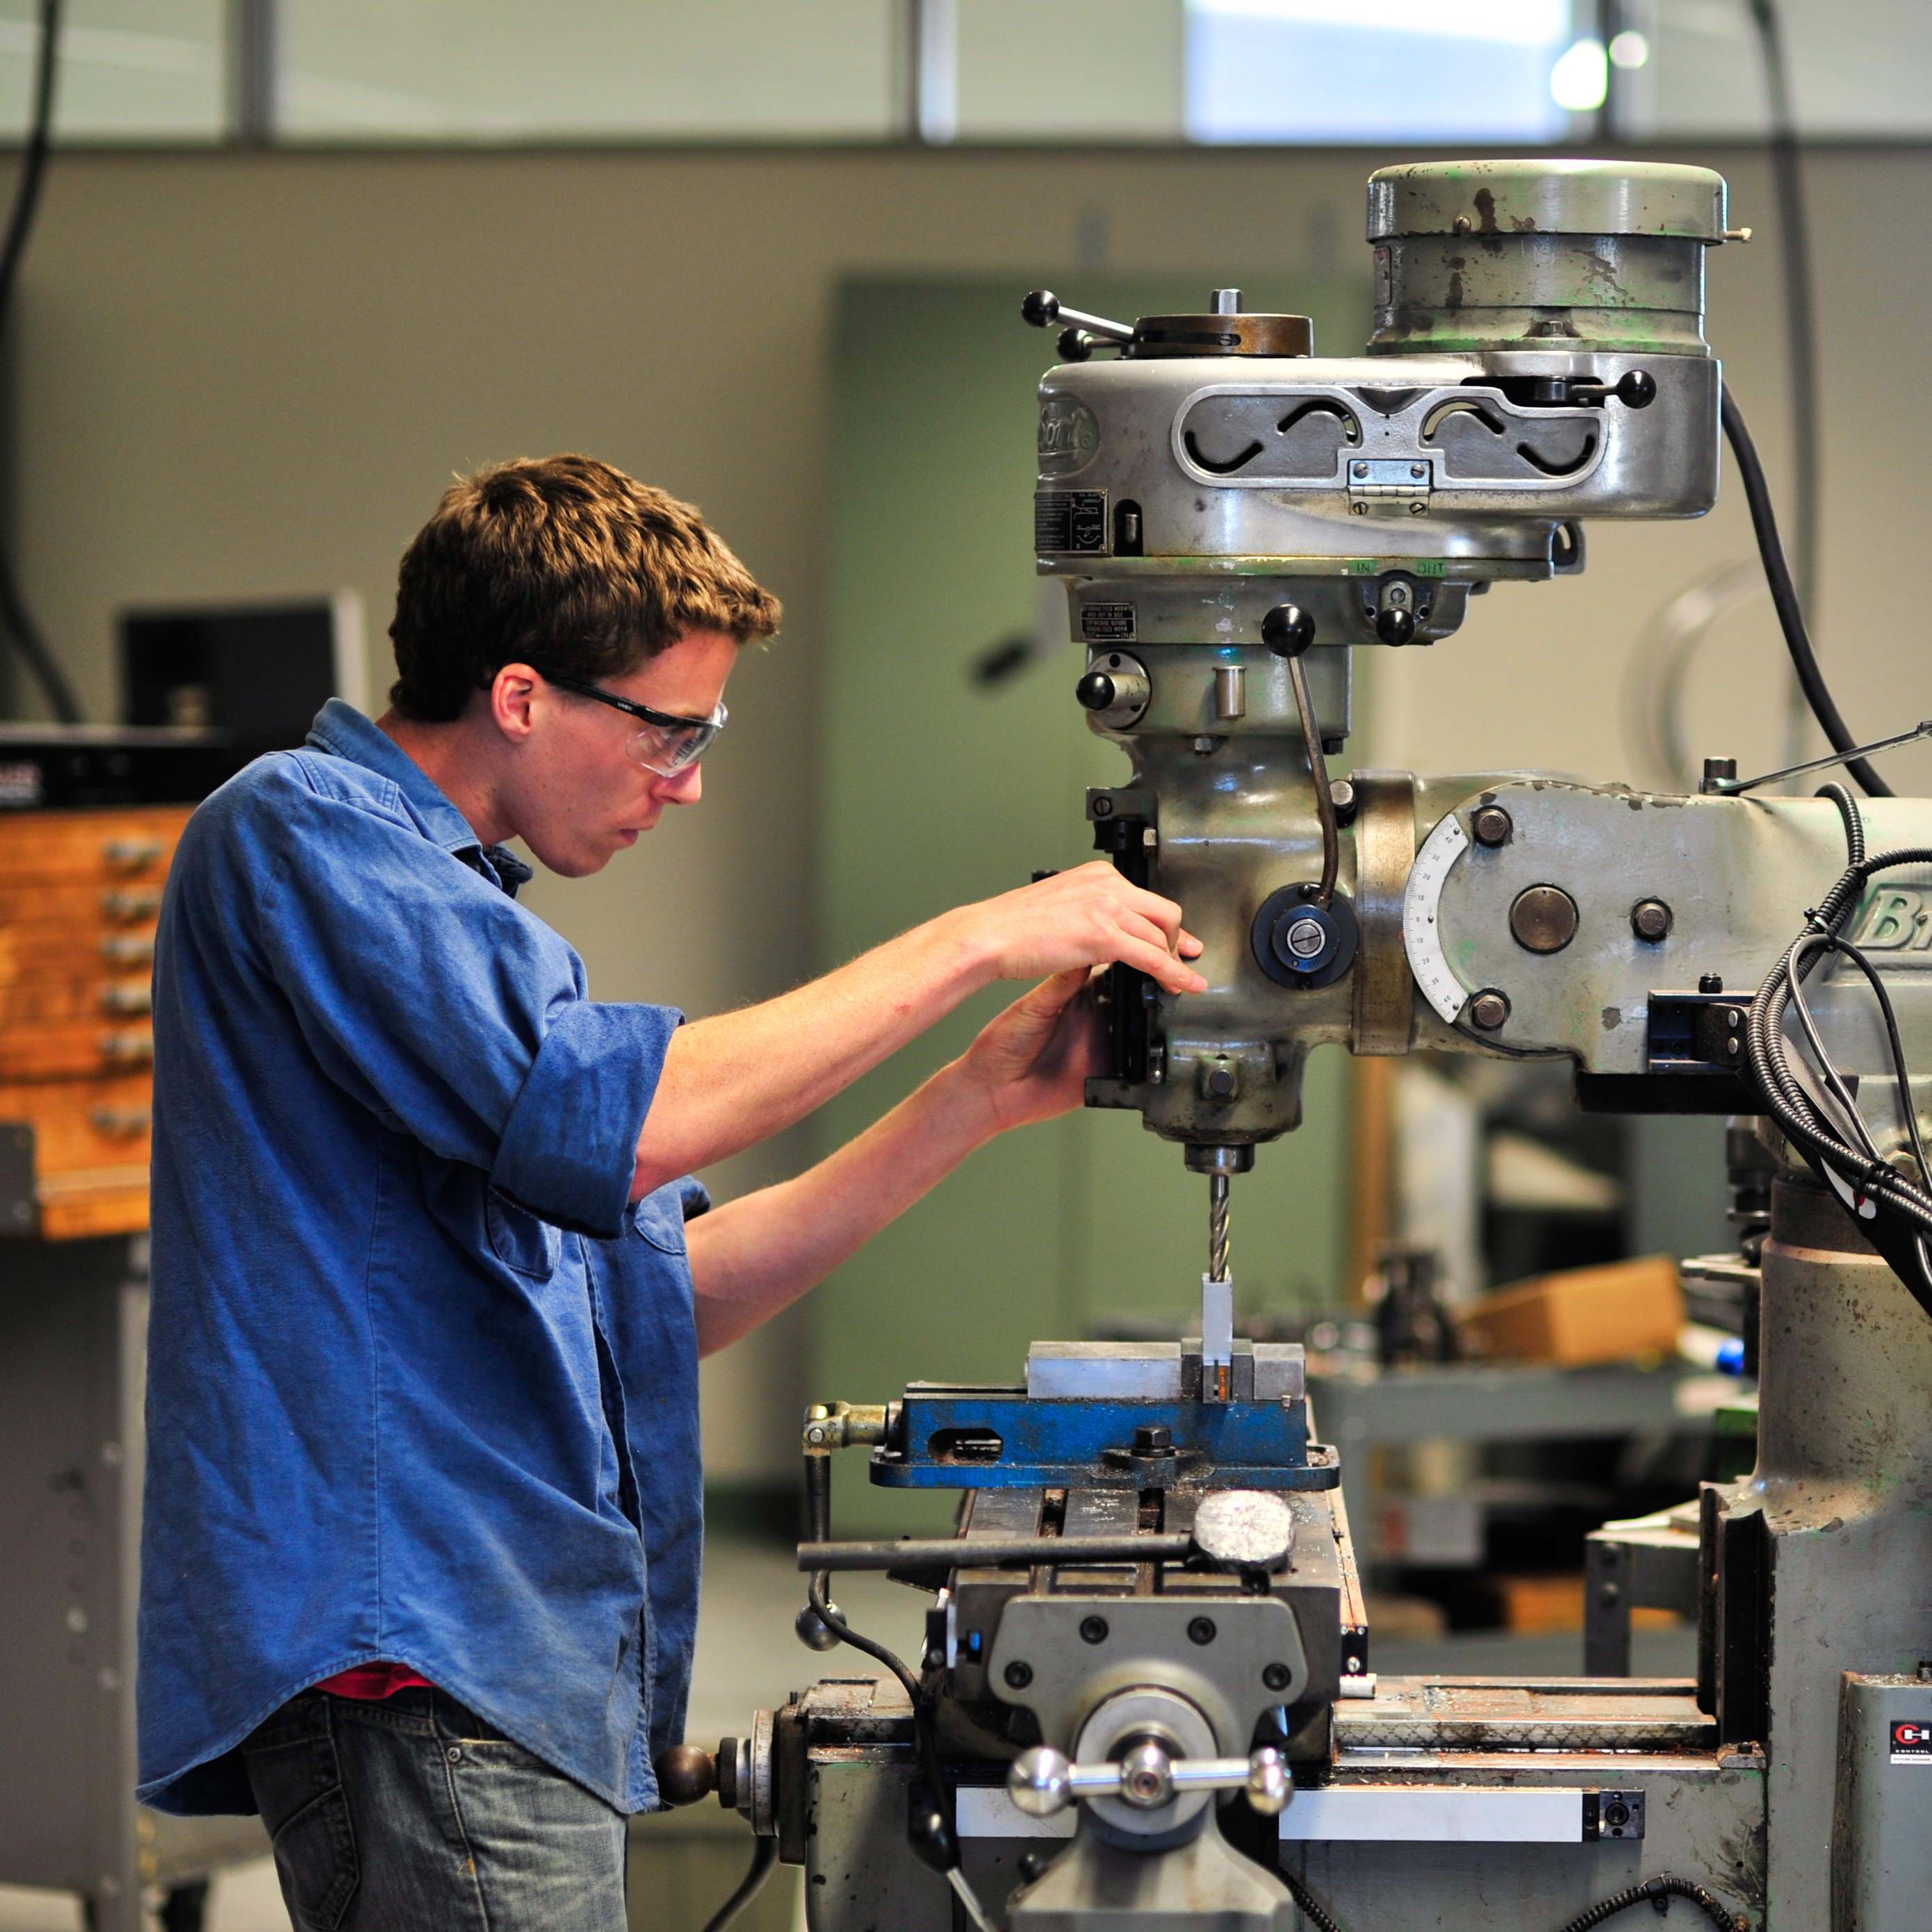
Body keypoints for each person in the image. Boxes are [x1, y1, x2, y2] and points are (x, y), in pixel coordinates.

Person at [136, 454, 1202, 1931]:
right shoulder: (305, 833)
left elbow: (668, 1294)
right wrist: (975, 935)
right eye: (667, 733)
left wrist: (977, 1097)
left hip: (506, 1650)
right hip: (420, 1652)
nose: (688, 783)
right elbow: (618, 1122)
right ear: (521, 697)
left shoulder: (472, 931)